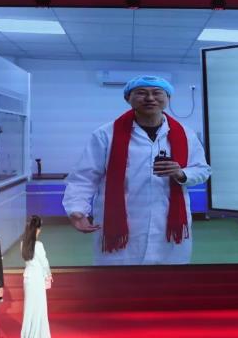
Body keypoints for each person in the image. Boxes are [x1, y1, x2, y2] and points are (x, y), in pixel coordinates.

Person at [62, 75, 211, 265]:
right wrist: (77, 209)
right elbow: (84, 177)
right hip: (120, 227)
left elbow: (202, 170)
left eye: (157, 93)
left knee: (168, 278)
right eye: (141, 93)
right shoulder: (106, 134)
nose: (150, 98)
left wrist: (182, 174)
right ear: (128, 98)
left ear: (168, 98)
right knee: (118, 279)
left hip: (168, 225)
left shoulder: (185, 134)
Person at [20, 215, 53, 338]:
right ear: (37, 229)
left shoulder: (23, 244)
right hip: (37, 280)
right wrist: (49, 275)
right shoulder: (38, 245)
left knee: (29, 310)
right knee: (39, 310)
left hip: (28, 279)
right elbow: (44, 263)